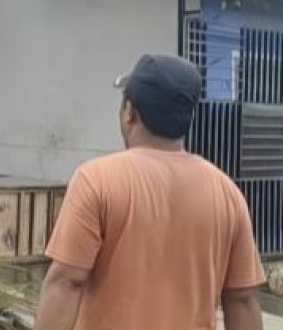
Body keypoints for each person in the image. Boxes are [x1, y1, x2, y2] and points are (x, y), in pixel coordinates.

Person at [34, 54, 266, 330]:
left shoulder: (96, 181)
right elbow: (242, 301)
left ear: (130, 112)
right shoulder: (227, 193)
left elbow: (66, 282)